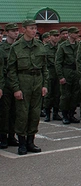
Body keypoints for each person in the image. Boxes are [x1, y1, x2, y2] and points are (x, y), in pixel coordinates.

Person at [6, 20, 48, 155]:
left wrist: (44, 85)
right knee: (22, 114)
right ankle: (22, 143)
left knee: (35, 113)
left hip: (37, 81)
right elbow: (11, 70)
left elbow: (44, 67)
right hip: (23, 81)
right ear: (24, 29)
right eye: (31, 28)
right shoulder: (16, 47)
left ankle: (31, 141)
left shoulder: (40, 45)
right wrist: (16, 88)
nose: (34, 31)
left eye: (35, 28)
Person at [55, 27, 81, 125]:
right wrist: (61, 76)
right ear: (70, 34)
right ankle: (65, 115)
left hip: (76, 71)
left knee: (75, 95)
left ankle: (71, 114)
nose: (77, 35)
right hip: (67, 71)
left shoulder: (79, 45)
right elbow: (58, 62)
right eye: (75, 33)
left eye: (77, 33)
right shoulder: (63, 46)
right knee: (65, 95)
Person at [1, 23, 20, 148]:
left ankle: (12, 136)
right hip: (6, 82)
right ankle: (3, 136)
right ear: (7, 32)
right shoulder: (2, 48)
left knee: (15, 111)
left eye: (17, 30)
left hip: (17, 82)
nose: (16, 33)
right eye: (13, 31)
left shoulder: (19, 47)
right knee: (4, 111)